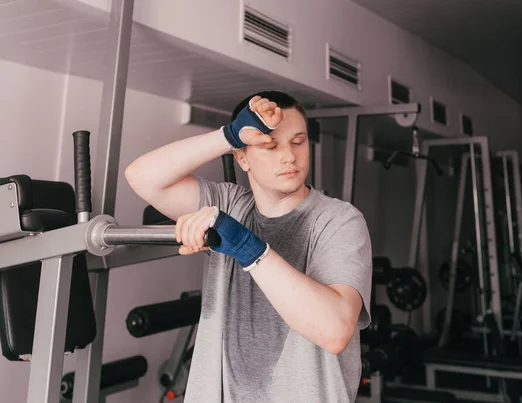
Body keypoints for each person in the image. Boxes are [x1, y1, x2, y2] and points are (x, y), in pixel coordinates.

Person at [125, 90, 373, 402]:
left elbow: (335, 331)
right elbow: (142, 177)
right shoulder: (230, 205)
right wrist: (228, 136)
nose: (289, 156)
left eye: (298, 142)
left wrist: (247, 247)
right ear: (242, 158)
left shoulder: (338, 220)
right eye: (270, 146)